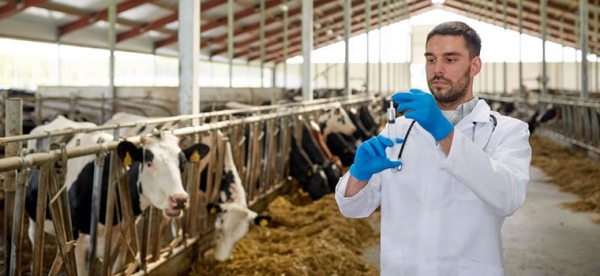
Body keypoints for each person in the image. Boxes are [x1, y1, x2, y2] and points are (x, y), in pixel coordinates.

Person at [335, 21, 532, 276]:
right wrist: (358, 177)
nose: (437, 70)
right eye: (430, 59)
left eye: (450, 60)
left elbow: (509, 198)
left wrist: (444, 132)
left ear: (475, 66)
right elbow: (354, 209)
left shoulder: (506, 131)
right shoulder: (400, 130)